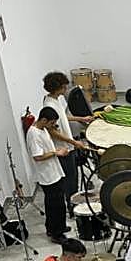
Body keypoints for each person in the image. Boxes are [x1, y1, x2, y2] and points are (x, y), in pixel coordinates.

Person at [41, 72, 92, 204]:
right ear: (57, 88)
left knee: (73, 176)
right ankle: (72, 205)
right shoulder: (49, 105)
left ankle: (74, 201)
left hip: (69, 146)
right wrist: (74, 142)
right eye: (64, 87)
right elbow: (52, 131)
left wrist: (81, 118)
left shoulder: (55, 100)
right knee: (70, 180)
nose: (65, 89)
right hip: (63, 149)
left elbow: (61, 117)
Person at [28, 107, 71, 242]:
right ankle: (56, 233)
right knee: (55, 205)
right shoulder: (33, 134)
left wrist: (56, 150)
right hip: (47, 175)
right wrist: (55, 153)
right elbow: (38, 156)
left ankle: (57, 226)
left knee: (58, 202)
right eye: (52, 123)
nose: (53, 126)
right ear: (44, 120)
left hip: (54, 171)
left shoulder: (43, 129)